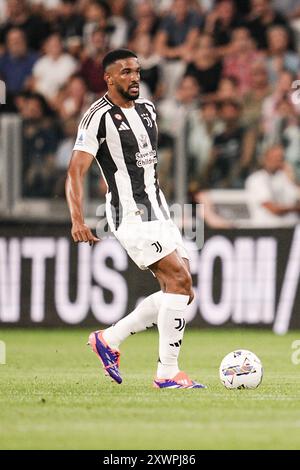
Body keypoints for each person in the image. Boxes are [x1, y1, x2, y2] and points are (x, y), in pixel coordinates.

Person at [65, 48, 205, 389]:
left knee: (183, 292)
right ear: (108, 78)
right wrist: (77, 219)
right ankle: (167, 374)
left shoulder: (147, 109)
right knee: (179, 281)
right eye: (125, 72)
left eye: (137, 71)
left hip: (159, 209)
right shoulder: (96, 117)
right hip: (129, 214)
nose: (134, 77)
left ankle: (109, 339)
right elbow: (75, 172)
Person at [245, 145, 300, 226]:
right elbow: (273, 209)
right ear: (265, 159)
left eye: (280, 158)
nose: (278, 161)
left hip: (292, 228)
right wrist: (295, 208)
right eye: (274, 158)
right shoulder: (256, 179)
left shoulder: (286, 177)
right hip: (268, 230)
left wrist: (293, 179)